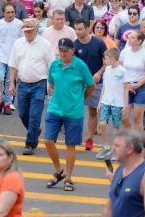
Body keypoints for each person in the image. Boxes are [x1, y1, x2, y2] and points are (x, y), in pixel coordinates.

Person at [43, 38, 94, 193]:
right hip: (55, 108)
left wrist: (80, 98)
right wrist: (52, 90)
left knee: (70, 145)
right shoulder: (55, 65)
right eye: (61, 50)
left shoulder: (80, 66)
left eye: (66, 50)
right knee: (47, 140)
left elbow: (91, 86)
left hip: (74, 111)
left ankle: (69, 178)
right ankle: (59, 171)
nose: (63, 53)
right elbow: (51, 82)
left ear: (72, 50)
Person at [7, 18, 55, 156]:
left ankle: (30, 143)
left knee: (35, 115)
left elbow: (51, 66)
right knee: (22, 113)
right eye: (25, 31)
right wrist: (11, 83)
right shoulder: (18, 43)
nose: (27, 34)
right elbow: (13, 64)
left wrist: (51, 84)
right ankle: (34, 130)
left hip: (39, 83)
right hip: (22, 83)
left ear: (35, 30)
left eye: (29, 31)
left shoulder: (45, 44)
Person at [104, 130, 145, 217]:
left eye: (117, 146)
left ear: (129, 149)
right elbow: (110, 206)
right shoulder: (120, 169)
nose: (113, 149)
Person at [72, 20, 106, 152]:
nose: (78, 32)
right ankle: (74, 136)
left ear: (87, 28)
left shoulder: (98, 43)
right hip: (80, 83)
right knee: (76, 110)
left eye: (80, 29)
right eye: (76, 29)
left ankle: (90, 138)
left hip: (96, 82)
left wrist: (99, 73)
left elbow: (106, 61)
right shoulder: (74, 44)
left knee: (93, 111)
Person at [119, 31, 145, 131]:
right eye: (129, 37)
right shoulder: (124, 52)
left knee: (137, 117)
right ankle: (131, 137)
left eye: (132, 38)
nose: (129, 39)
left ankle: (138, 143)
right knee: (124, 117)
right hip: (127, 87)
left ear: (139, 41)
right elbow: (120, 69)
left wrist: (138, 85)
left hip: (141, 87)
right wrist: (125, 85)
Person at [96, 48, 126, 159]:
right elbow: (104, 87)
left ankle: (116, 149)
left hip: (117, 103)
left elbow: (126, 88)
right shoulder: (107, 70)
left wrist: (125, 104)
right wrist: (99, 102)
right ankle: (106, 146)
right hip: (105, 101)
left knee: (116, 128)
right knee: (102, 124)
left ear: (113, 59)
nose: (104, 61)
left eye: (106, 59)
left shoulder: (122, 71)